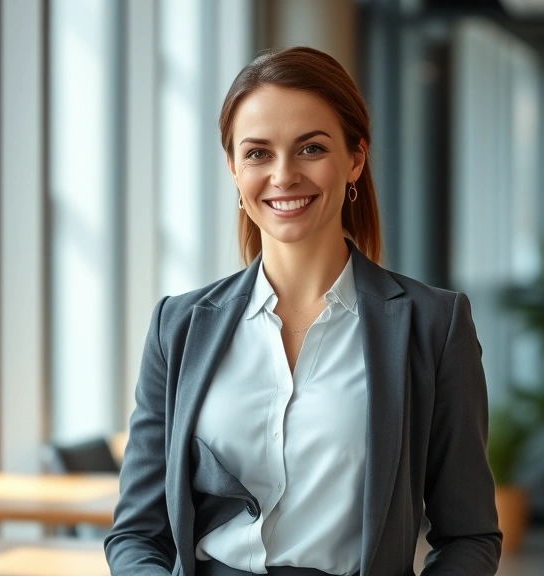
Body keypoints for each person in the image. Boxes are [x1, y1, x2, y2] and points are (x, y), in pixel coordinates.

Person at [105, 46, 501, 576]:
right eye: (258, 153)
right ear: (232, 168)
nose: (284, 175)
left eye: (310, 148)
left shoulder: (433, 326)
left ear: (355, 158)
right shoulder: (177, 328)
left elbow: (469, 537)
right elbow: (136, 534)